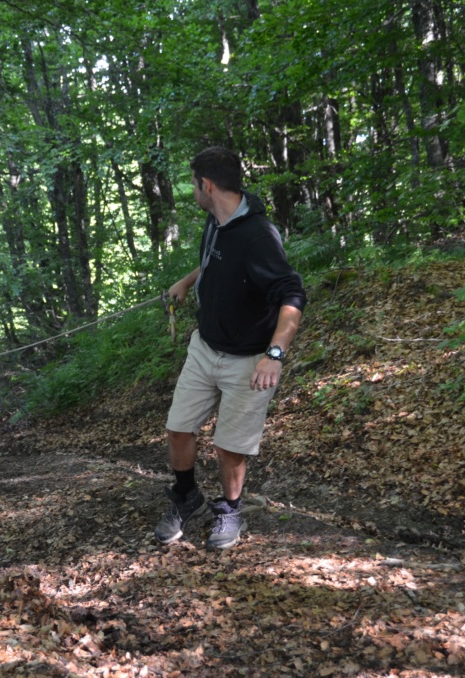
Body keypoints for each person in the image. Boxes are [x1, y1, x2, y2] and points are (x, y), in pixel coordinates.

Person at [155, 146, 306, 549]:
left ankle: (230, 509)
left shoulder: (259, 236)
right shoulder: (216, 218)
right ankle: (188, 498)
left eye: (193, 184)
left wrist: (274, 355)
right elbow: (217, 260)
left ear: (206, 185)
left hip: (248, 358)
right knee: (178, 429)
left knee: (230, 447)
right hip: (205, 348)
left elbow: (292, 293)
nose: (192, 191)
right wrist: (188, 281)